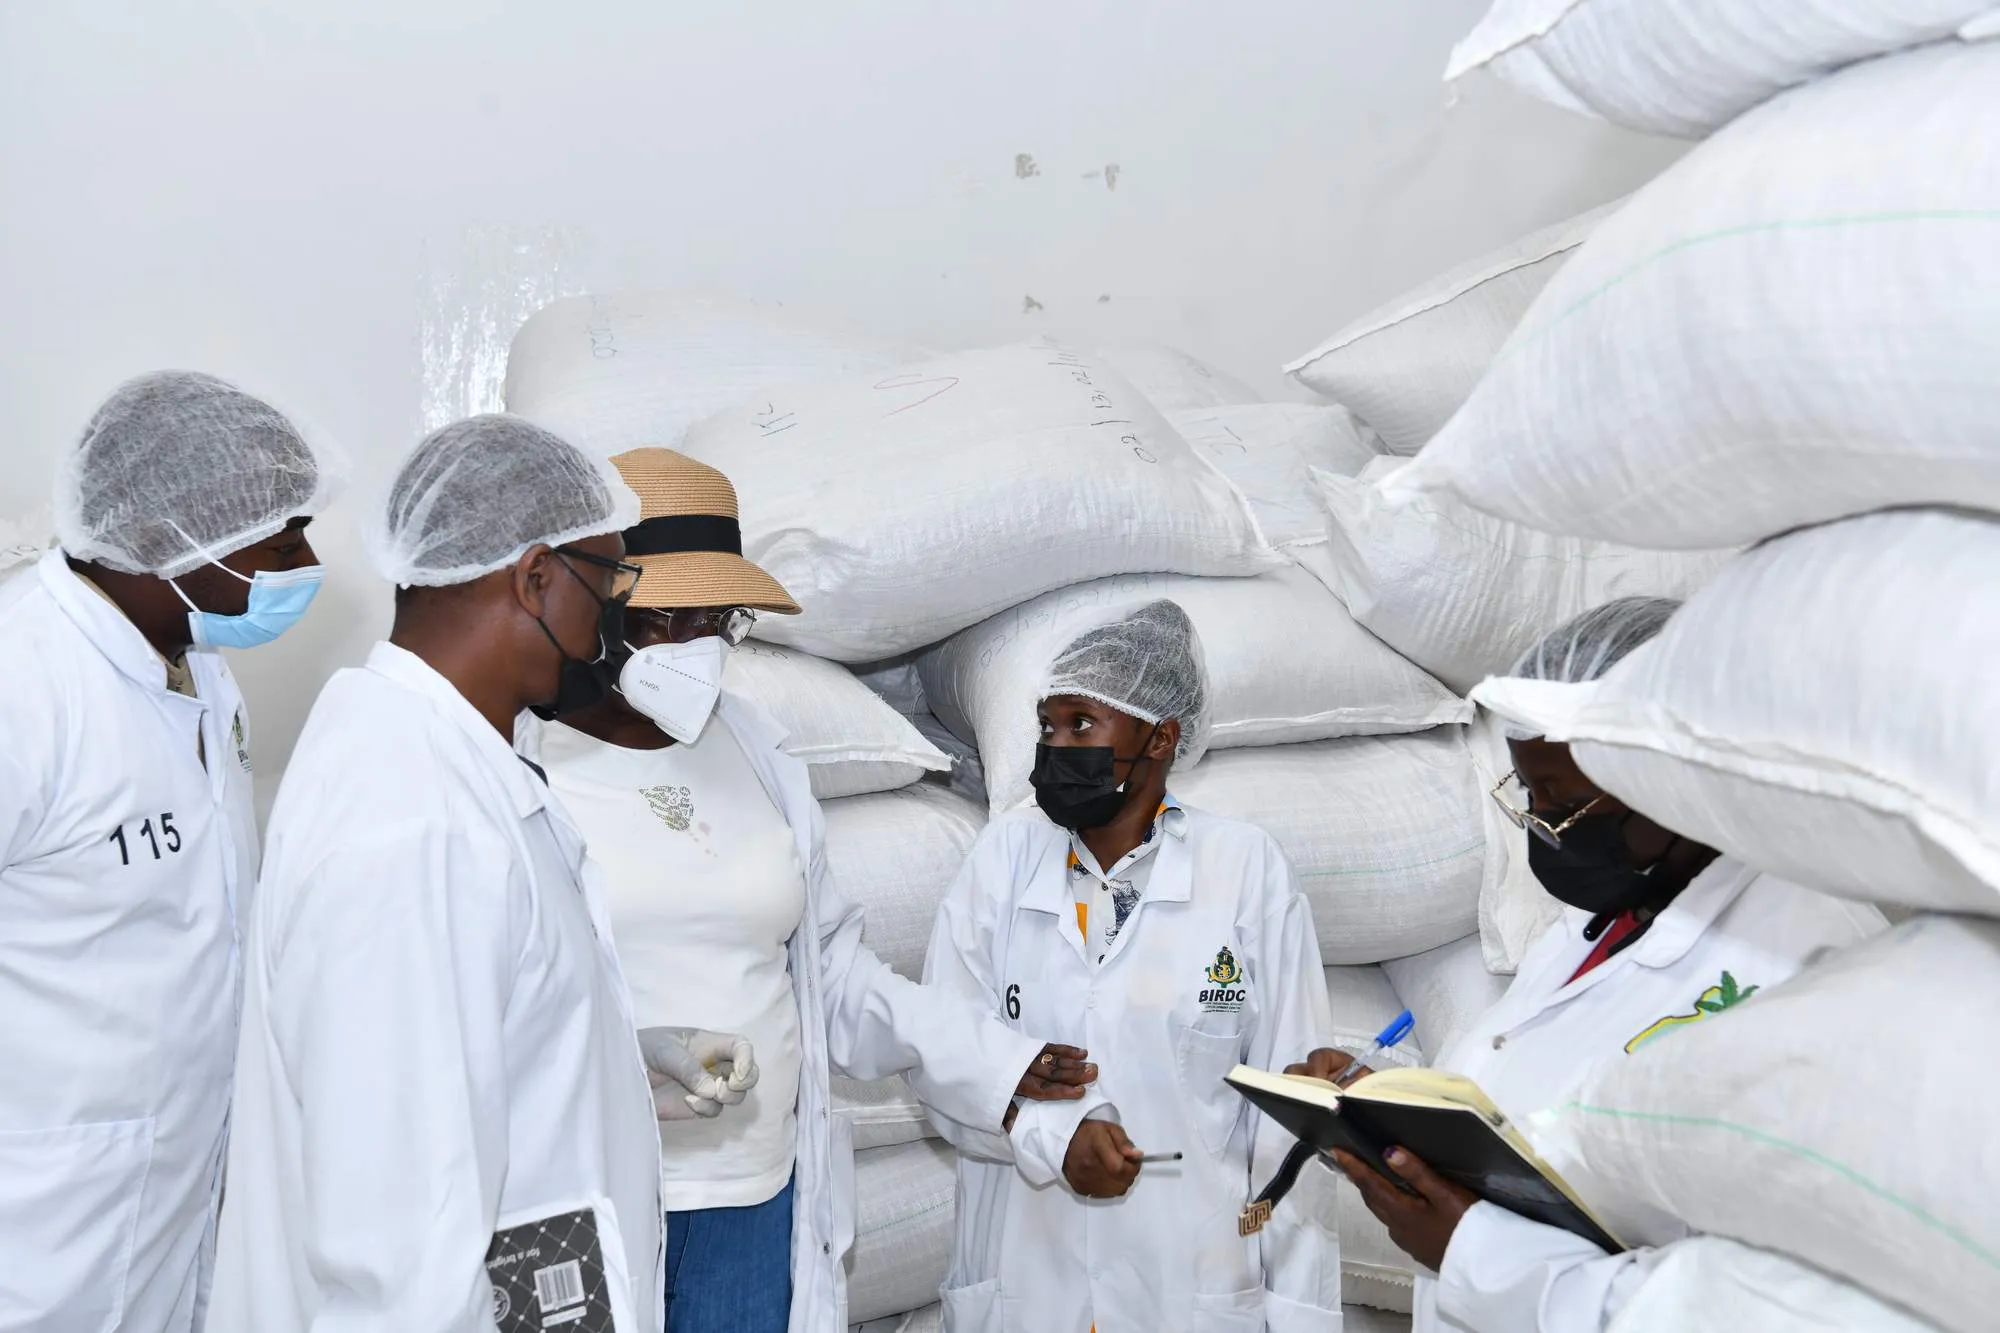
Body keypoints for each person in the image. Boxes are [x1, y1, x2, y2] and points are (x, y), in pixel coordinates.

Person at [516, 447, 1097, 1333]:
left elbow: (833, 975)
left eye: (723, 620)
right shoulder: (522, 761)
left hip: (754, 1197)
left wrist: (994, 1060)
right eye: (672, 617)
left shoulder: (756, 750)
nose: (698, 648)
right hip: (581, 1199)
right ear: (599, 603)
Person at [1297, 596, 1888, 1333]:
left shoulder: (1816, 961)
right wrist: (1386, 1118)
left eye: (1567, 805)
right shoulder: (1605, 919)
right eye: (1530, 797)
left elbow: (1766, 1303)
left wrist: (1476, 1252)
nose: (1545, 829)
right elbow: (1532, 1124)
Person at [212, 416, 667, 1332]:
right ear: (534, 575)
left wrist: (613, 1052)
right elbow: (398, 1254)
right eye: (608, 578)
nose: (613, 617)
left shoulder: (445, 764)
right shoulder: (409, 816)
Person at [0, 371, 336, 1332]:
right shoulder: (24, 683)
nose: (305, 564)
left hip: (166, 1208)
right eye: (282, 542)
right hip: (37, 1230)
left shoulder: (199, 666)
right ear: (165, 541)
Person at [921, 600, 1341, 1333]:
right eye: (1049, 726)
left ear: (1161, 737)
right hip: (1028, 1284)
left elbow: (1290, 1122)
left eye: (1082, 724)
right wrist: (1048, 1138)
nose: (1057, 746)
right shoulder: (1003, 859)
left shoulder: (1242, 868)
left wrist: (1302, 1316)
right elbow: (941, 1059)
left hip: (1190, 1289)